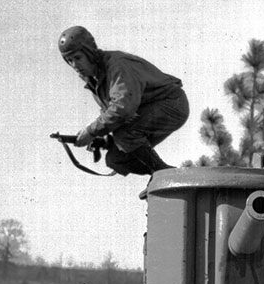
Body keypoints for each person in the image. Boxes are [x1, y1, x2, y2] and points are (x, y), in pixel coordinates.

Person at [58, 26, 189, 175]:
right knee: (116, 158)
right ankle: (165, 177)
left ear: (90, 52)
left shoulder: (116, 65)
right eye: (69, 60)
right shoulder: (94, 79)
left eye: (78, 58)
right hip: (148, 110)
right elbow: (112, 114)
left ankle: (164, 175)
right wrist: (104, 139)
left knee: (126, 134)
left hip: (171, 103)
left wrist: (91, 132)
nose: (75, 65)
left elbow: (122, 109)